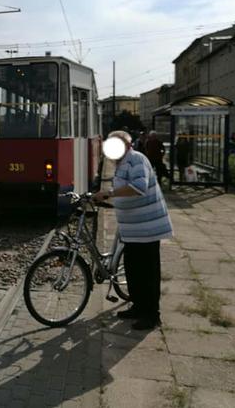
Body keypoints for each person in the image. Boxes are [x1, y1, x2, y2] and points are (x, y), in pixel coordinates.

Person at [93, 130, 173, 331]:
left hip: (147, 228)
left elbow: (138, 187)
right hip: (133, 229)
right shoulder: (121, 163)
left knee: (148, 273)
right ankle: (137, 307)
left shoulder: (136, 159)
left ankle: (152, 315)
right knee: (133, 270)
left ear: (128, 145)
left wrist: (109, 193)